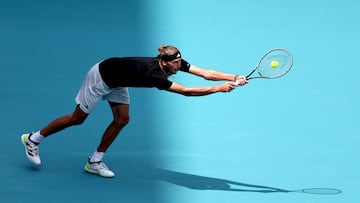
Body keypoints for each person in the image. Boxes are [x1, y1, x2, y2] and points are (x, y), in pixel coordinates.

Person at [21, 45, 248, 178]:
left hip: (119, 79)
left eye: (180, 63)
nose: (179, 67)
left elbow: (206, 73)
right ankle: (33, 139)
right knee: (77, 118)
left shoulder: (173, 63)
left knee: (122, 119)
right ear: (164, 62)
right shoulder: (154, 75)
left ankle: (94, 162)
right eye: (176, 65)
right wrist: (218, 89)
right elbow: (187, 92)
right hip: (101, 77)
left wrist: (234, 76)